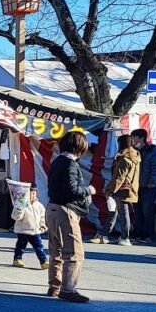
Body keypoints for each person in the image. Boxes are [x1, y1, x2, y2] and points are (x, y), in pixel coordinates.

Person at [47, 130, 94, 303]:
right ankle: (68, 288)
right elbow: (72, 190)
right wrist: (89, 190)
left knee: (56, 250)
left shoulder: (57, 161)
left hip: (52, 207)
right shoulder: (70, 165)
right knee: (74, 252)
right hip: (65, 210)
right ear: (80, 147)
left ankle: (55, 286)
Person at [92, 134, 139, 245]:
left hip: (121, 189)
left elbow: (119, 177)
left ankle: (122, 237)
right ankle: (107, 235)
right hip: (129, 189)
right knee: (118, 212)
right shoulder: (135, 155)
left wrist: (110, 190)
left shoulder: (124, 158)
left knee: (118, 213)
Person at [130, 128, 156, 243]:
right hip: (136, 186)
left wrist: (152, 182)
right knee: (137, 211)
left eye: (134, 137)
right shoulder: (134, 151)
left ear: (142, 138)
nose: (132, 140)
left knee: (147, 211)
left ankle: (147, 235)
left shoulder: (153, 151)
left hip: (149, 187)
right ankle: (139, 233)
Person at [11, 184, 49, 269]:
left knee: (39, 247)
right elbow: (16, 217)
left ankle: (43, 261)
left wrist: (42, 225)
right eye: (30, 193)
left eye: (34, 193)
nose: (32, 195)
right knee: (20, 246)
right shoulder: (20, 204)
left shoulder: (39, 205)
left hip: (35, 231)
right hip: (23, 230)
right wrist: (19, 210)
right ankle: (17, 259)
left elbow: (42, 217)